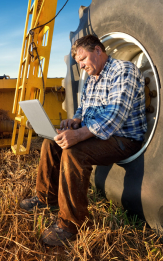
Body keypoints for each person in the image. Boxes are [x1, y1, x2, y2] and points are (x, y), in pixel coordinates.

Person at [19, 34, 147, 246]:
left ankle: (70, 224)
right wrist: (76, 120)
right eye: (77, 62)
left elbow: (115, 115)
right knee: (51, 142)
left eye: (83, 59)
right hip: (97, 135)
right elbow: (84, 107)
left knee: (74, 151)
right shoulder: (91, 78)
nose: (80, 66)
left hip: (123, 138)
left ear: (98, 50)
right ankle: (45, 199)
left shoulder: (123, 71)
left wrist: (79, 135)